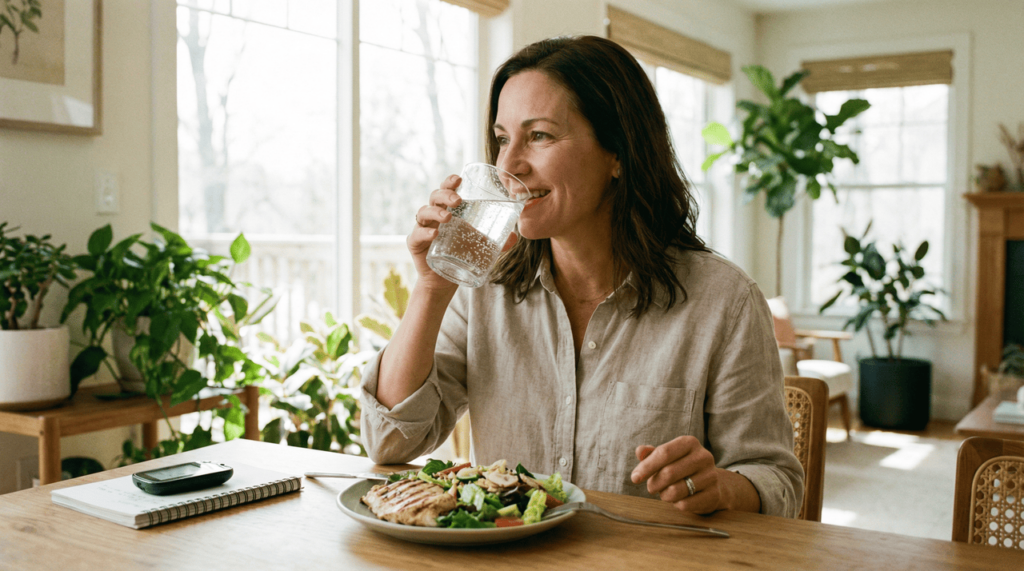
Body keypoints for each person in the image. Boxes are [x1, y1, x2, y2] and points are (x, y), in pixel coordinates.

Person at [360, 35, 804, 518]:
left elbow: (777, 483)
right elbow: (389, 443)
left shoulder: (725, 302)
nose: (509, 165)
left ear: (618, 153)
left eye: (541, 136)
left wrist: (720, 486)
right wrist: (431, 288)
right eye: (504, 138)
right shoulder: (485, 290)